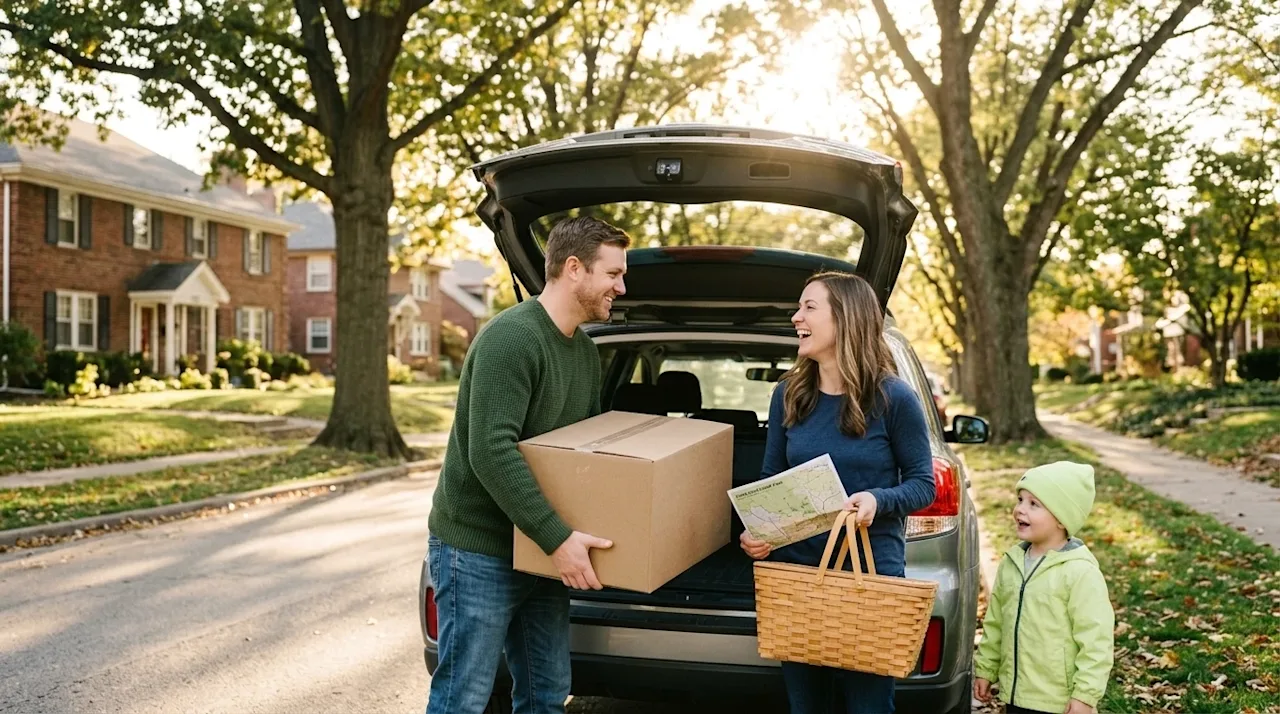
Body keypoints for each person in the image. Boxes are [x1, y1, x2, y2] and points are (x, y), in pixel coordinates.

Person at [425, 216, 631, 714]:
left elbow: (582, 457)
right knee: (464, 697)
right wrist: (559, 539)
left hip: (539, 547)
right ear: (575, 268)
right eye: (614, 274)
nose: (622, 288)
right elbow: (491, 452)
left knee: (546, 690)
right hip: (481, 547)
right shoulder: (511, 339)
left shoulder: (583, 351)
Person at [740, 271, 936, 714]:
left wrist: (877, 500)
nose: (796, 318)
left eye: (809, 307)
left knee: (868, 708)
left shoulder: (894, 398)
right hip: (799, 582)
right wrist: (758, 534)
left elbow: (923, 484)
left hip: (870, 582)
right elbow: (773, 478)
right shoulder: (788, 394)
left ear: (846, 318)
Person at [973, 461, 1114, 714]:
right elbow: (996, 622)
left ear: (1061, 519)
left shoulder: (1079, 571)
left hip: (1057, 702)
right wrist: (986, 669)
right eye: (1020, 499)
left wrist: (1085, 695)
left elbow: (1096, 641)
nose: (1019, 510)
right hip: (1015, 696)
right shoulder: (1012, 563)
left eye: (1033, 504)